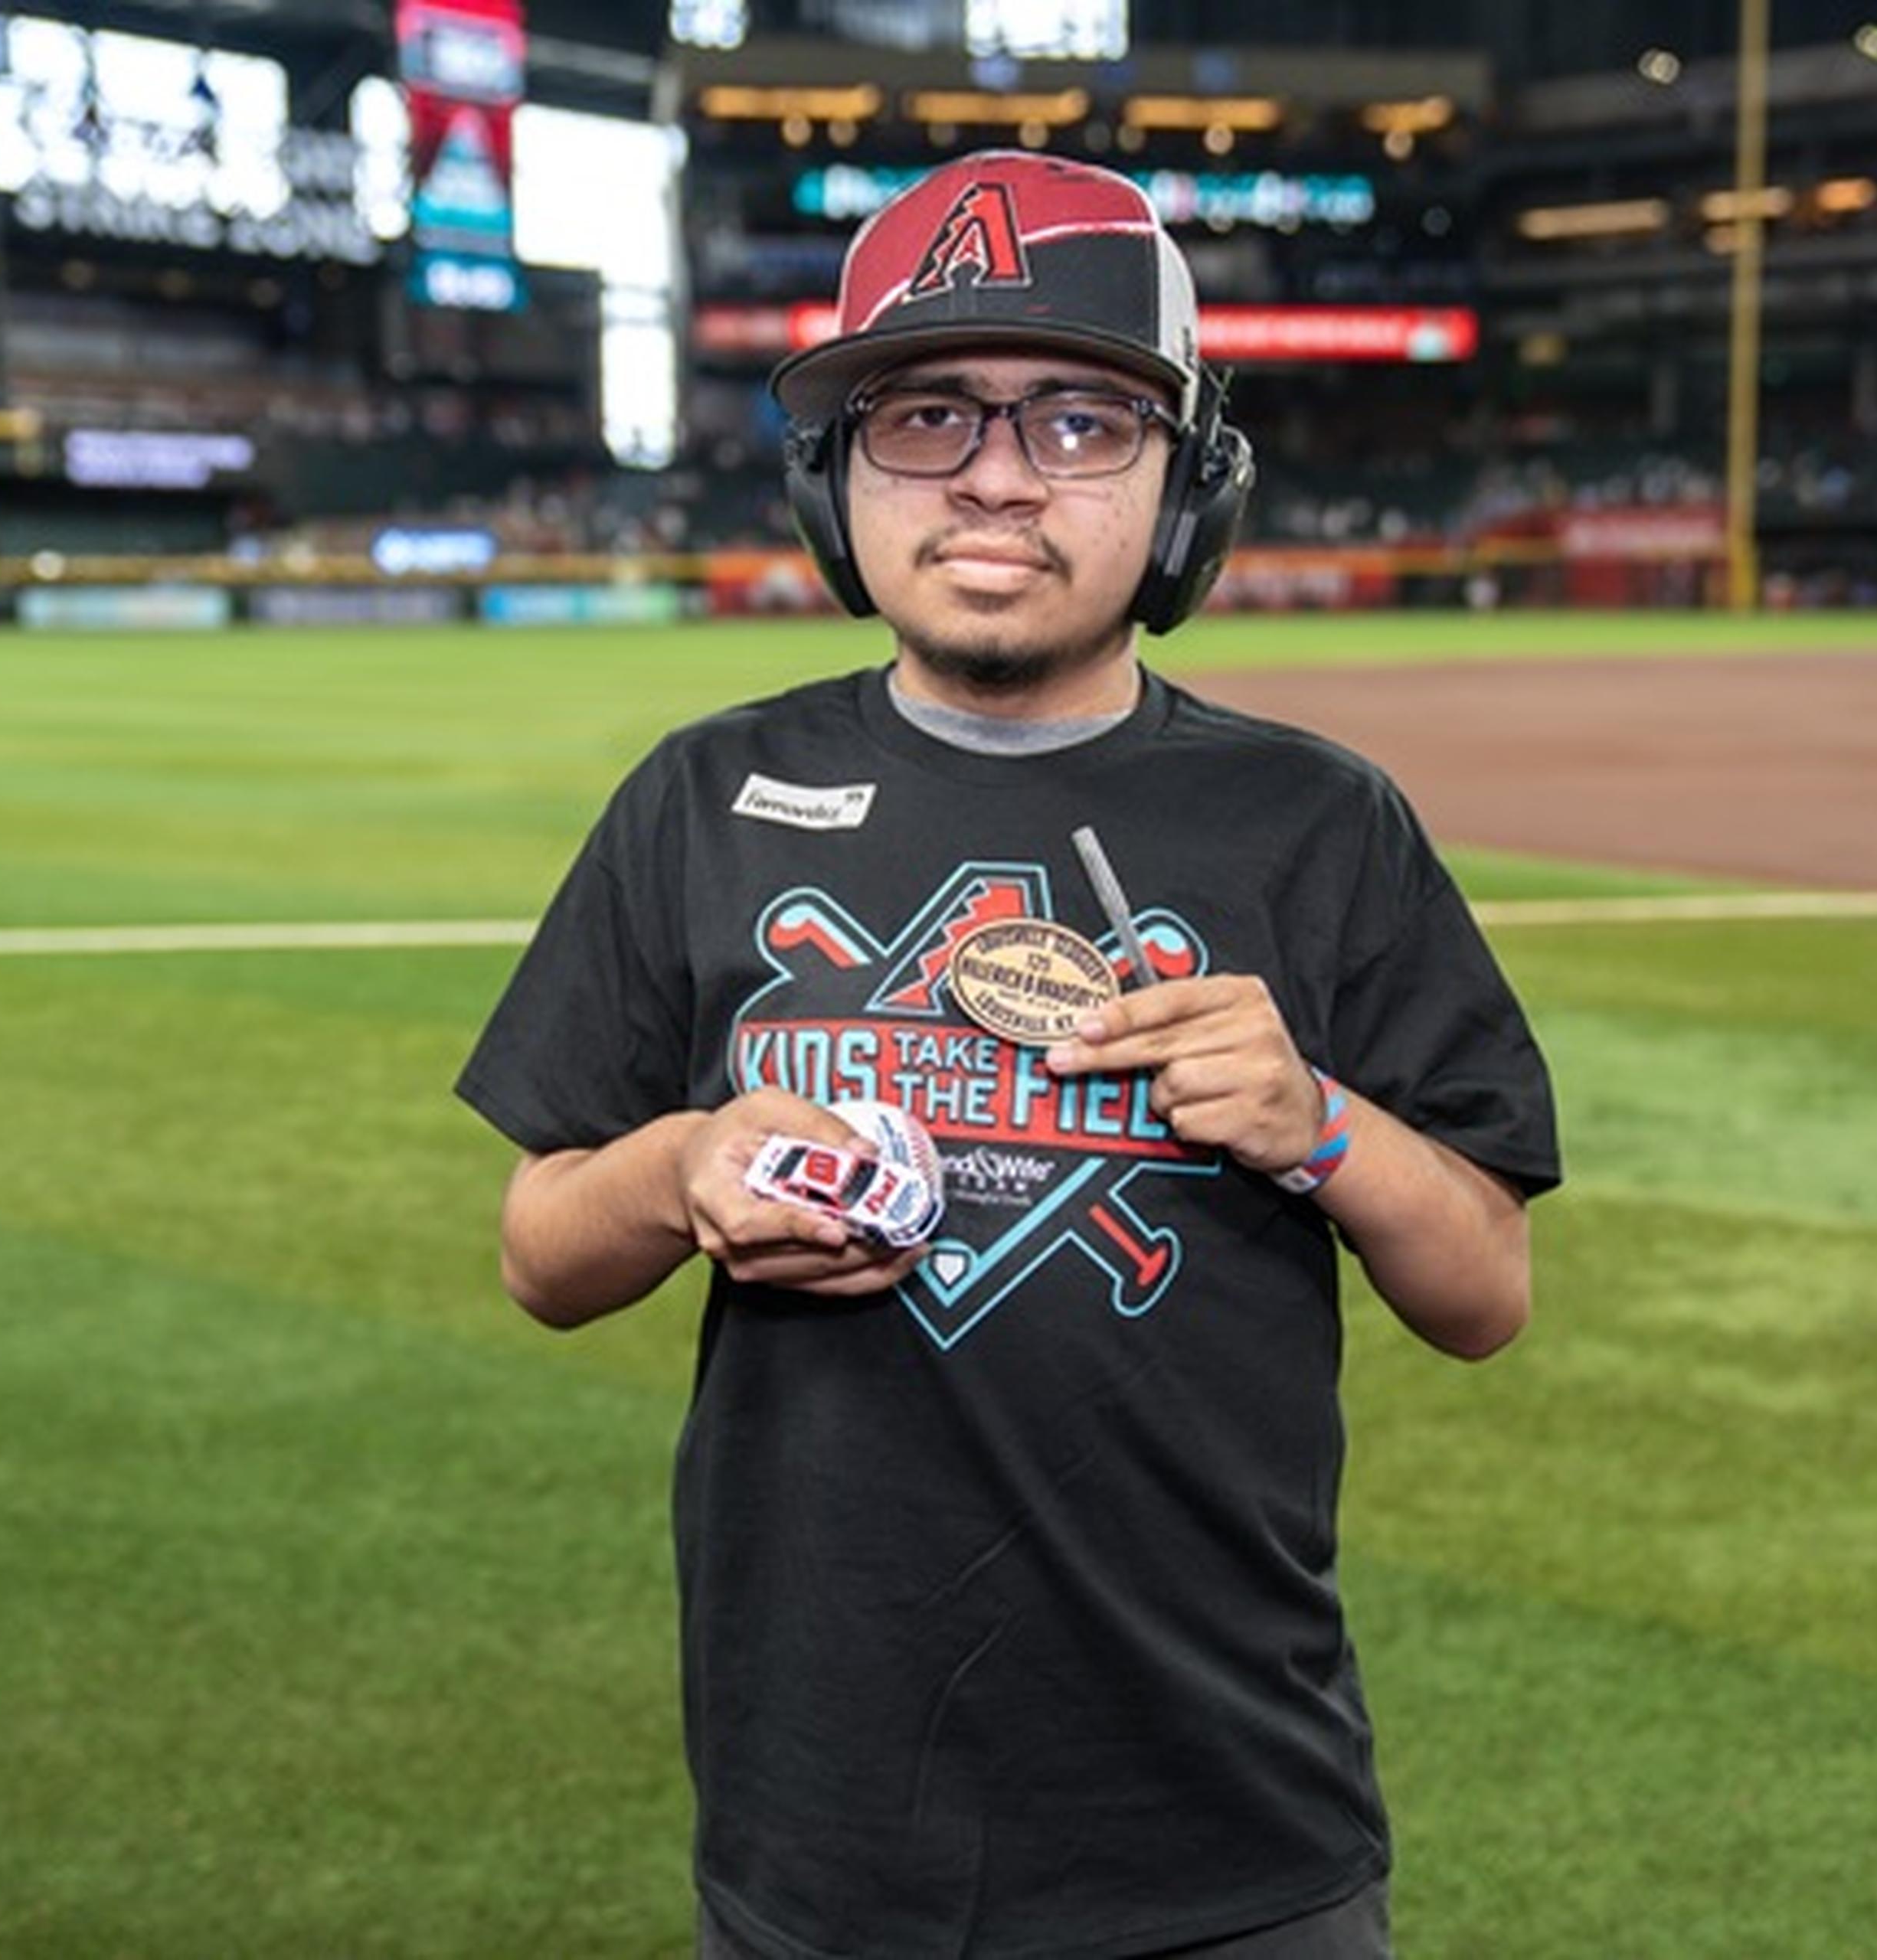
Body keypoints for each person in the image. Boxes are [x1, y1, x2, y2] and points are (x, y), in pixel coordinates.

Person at [457, 150, 1561, 1959]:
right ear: (833, 481)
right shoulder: (703, 796)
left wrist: (1318, 1122)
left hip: (1230, 1831)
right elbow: (540, 1254)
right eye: (926, 414)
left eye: (1079, 420)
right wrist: (678, 1167)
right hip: (825, 1829)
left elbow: (1486, 1293)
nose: (992, 473)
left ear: (1190, 485)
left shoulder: (1318, 823)